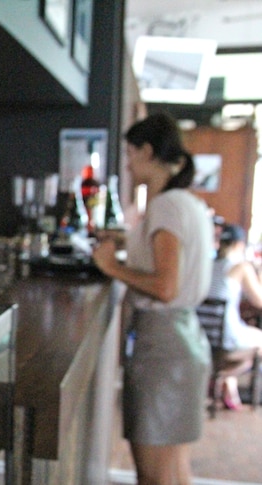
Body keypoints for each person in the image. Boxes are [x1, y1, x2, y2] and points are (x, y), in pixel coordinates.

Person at [92, 112, 213, 485]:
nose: (127, 164)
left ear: (147, 151)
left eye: (130, 153)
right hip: (182, 342)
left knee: (154, 476)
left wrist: (112, 267)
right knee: (175, 472)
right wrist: (130, 242)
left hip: (163, 350)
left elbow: (165, 286)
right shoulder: (184, 202)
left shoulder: (165, 206)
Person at [207, 223, 262, 409]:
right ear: (239, 245)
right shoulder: (240, 267)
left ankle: (225, 384)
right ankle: (226, 378)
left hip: (201, 335)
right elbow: (259, 301)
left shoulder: (207, 265)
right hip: (225, 338)